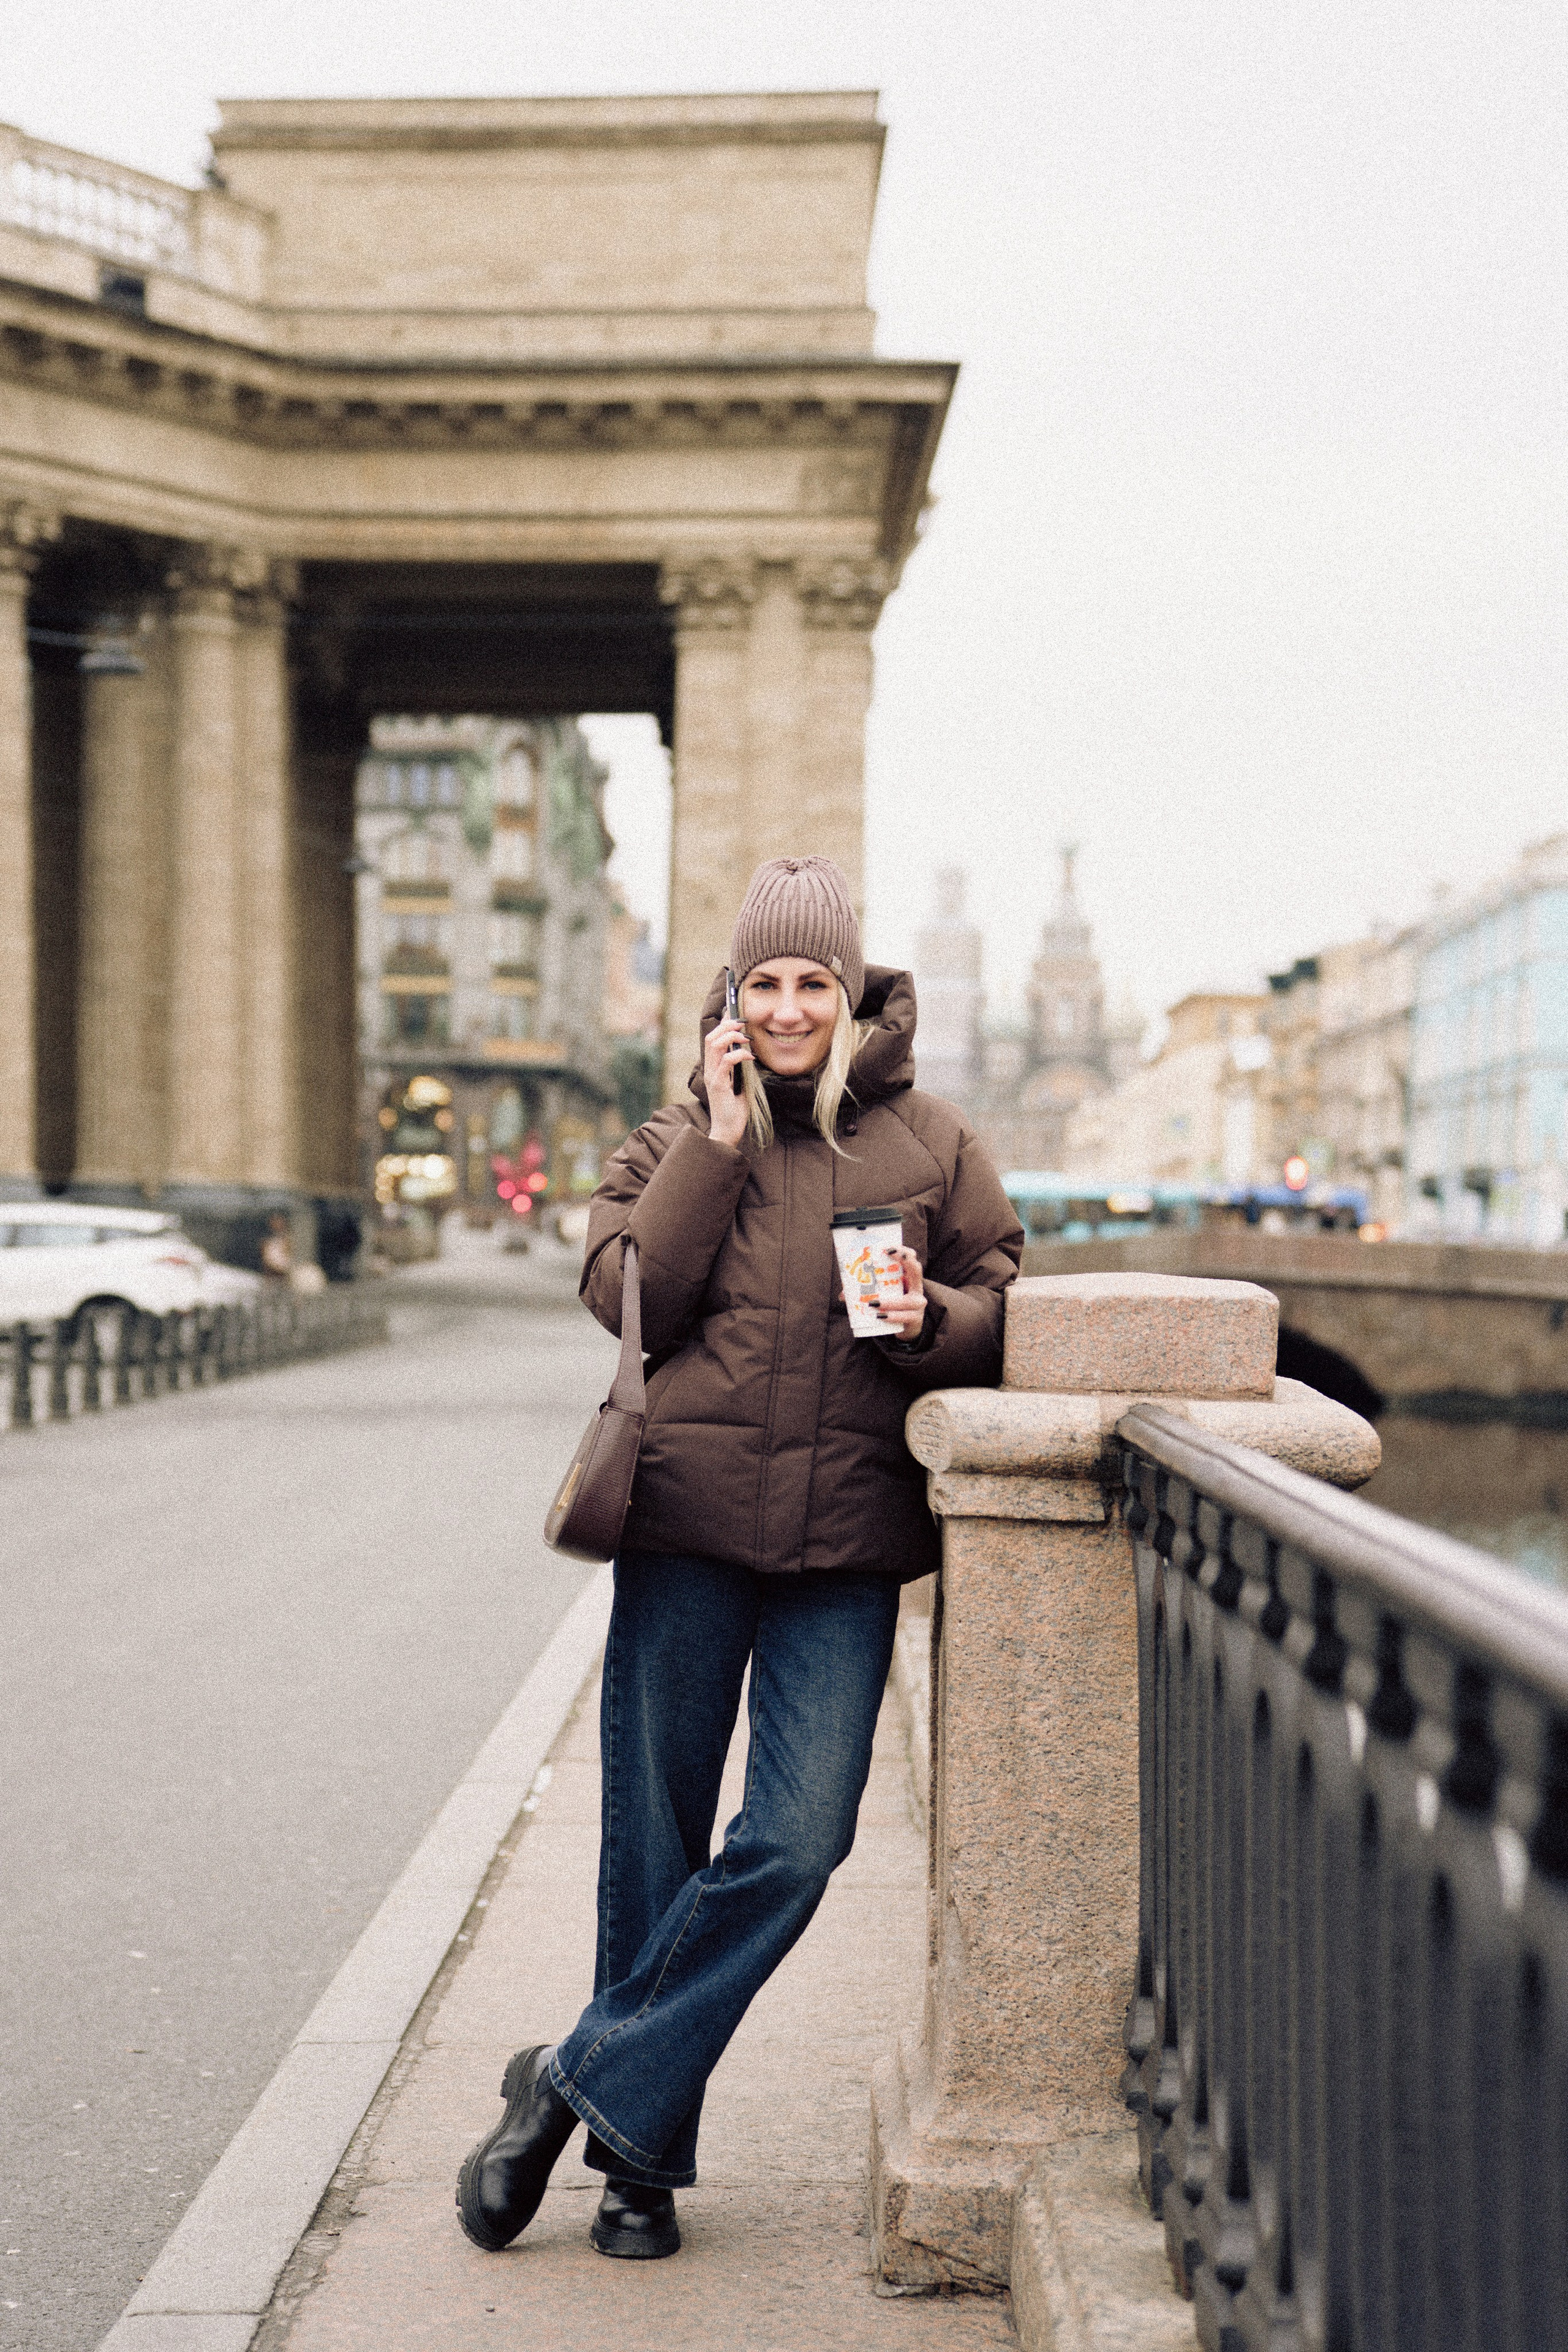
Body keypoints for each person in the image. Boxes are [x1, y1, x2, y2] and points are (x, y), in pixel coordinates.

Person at [457, 855, 1023, 2261]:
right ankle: (639, 2168)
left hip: (844, 1544)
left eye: (810, 984)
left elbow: (1003, 1295)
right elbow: (625, 1298)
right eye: (761, 984)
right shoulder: (669, 1136)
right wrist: (712, 1143)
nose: (785, 1008)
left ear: (852, 994)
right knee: (653, 1843)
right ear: (732, 997)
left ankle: (570, 2080)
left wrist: (927, 1321)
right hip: (686, 1528)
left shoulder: (932, 1145)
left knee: (794, 1839)